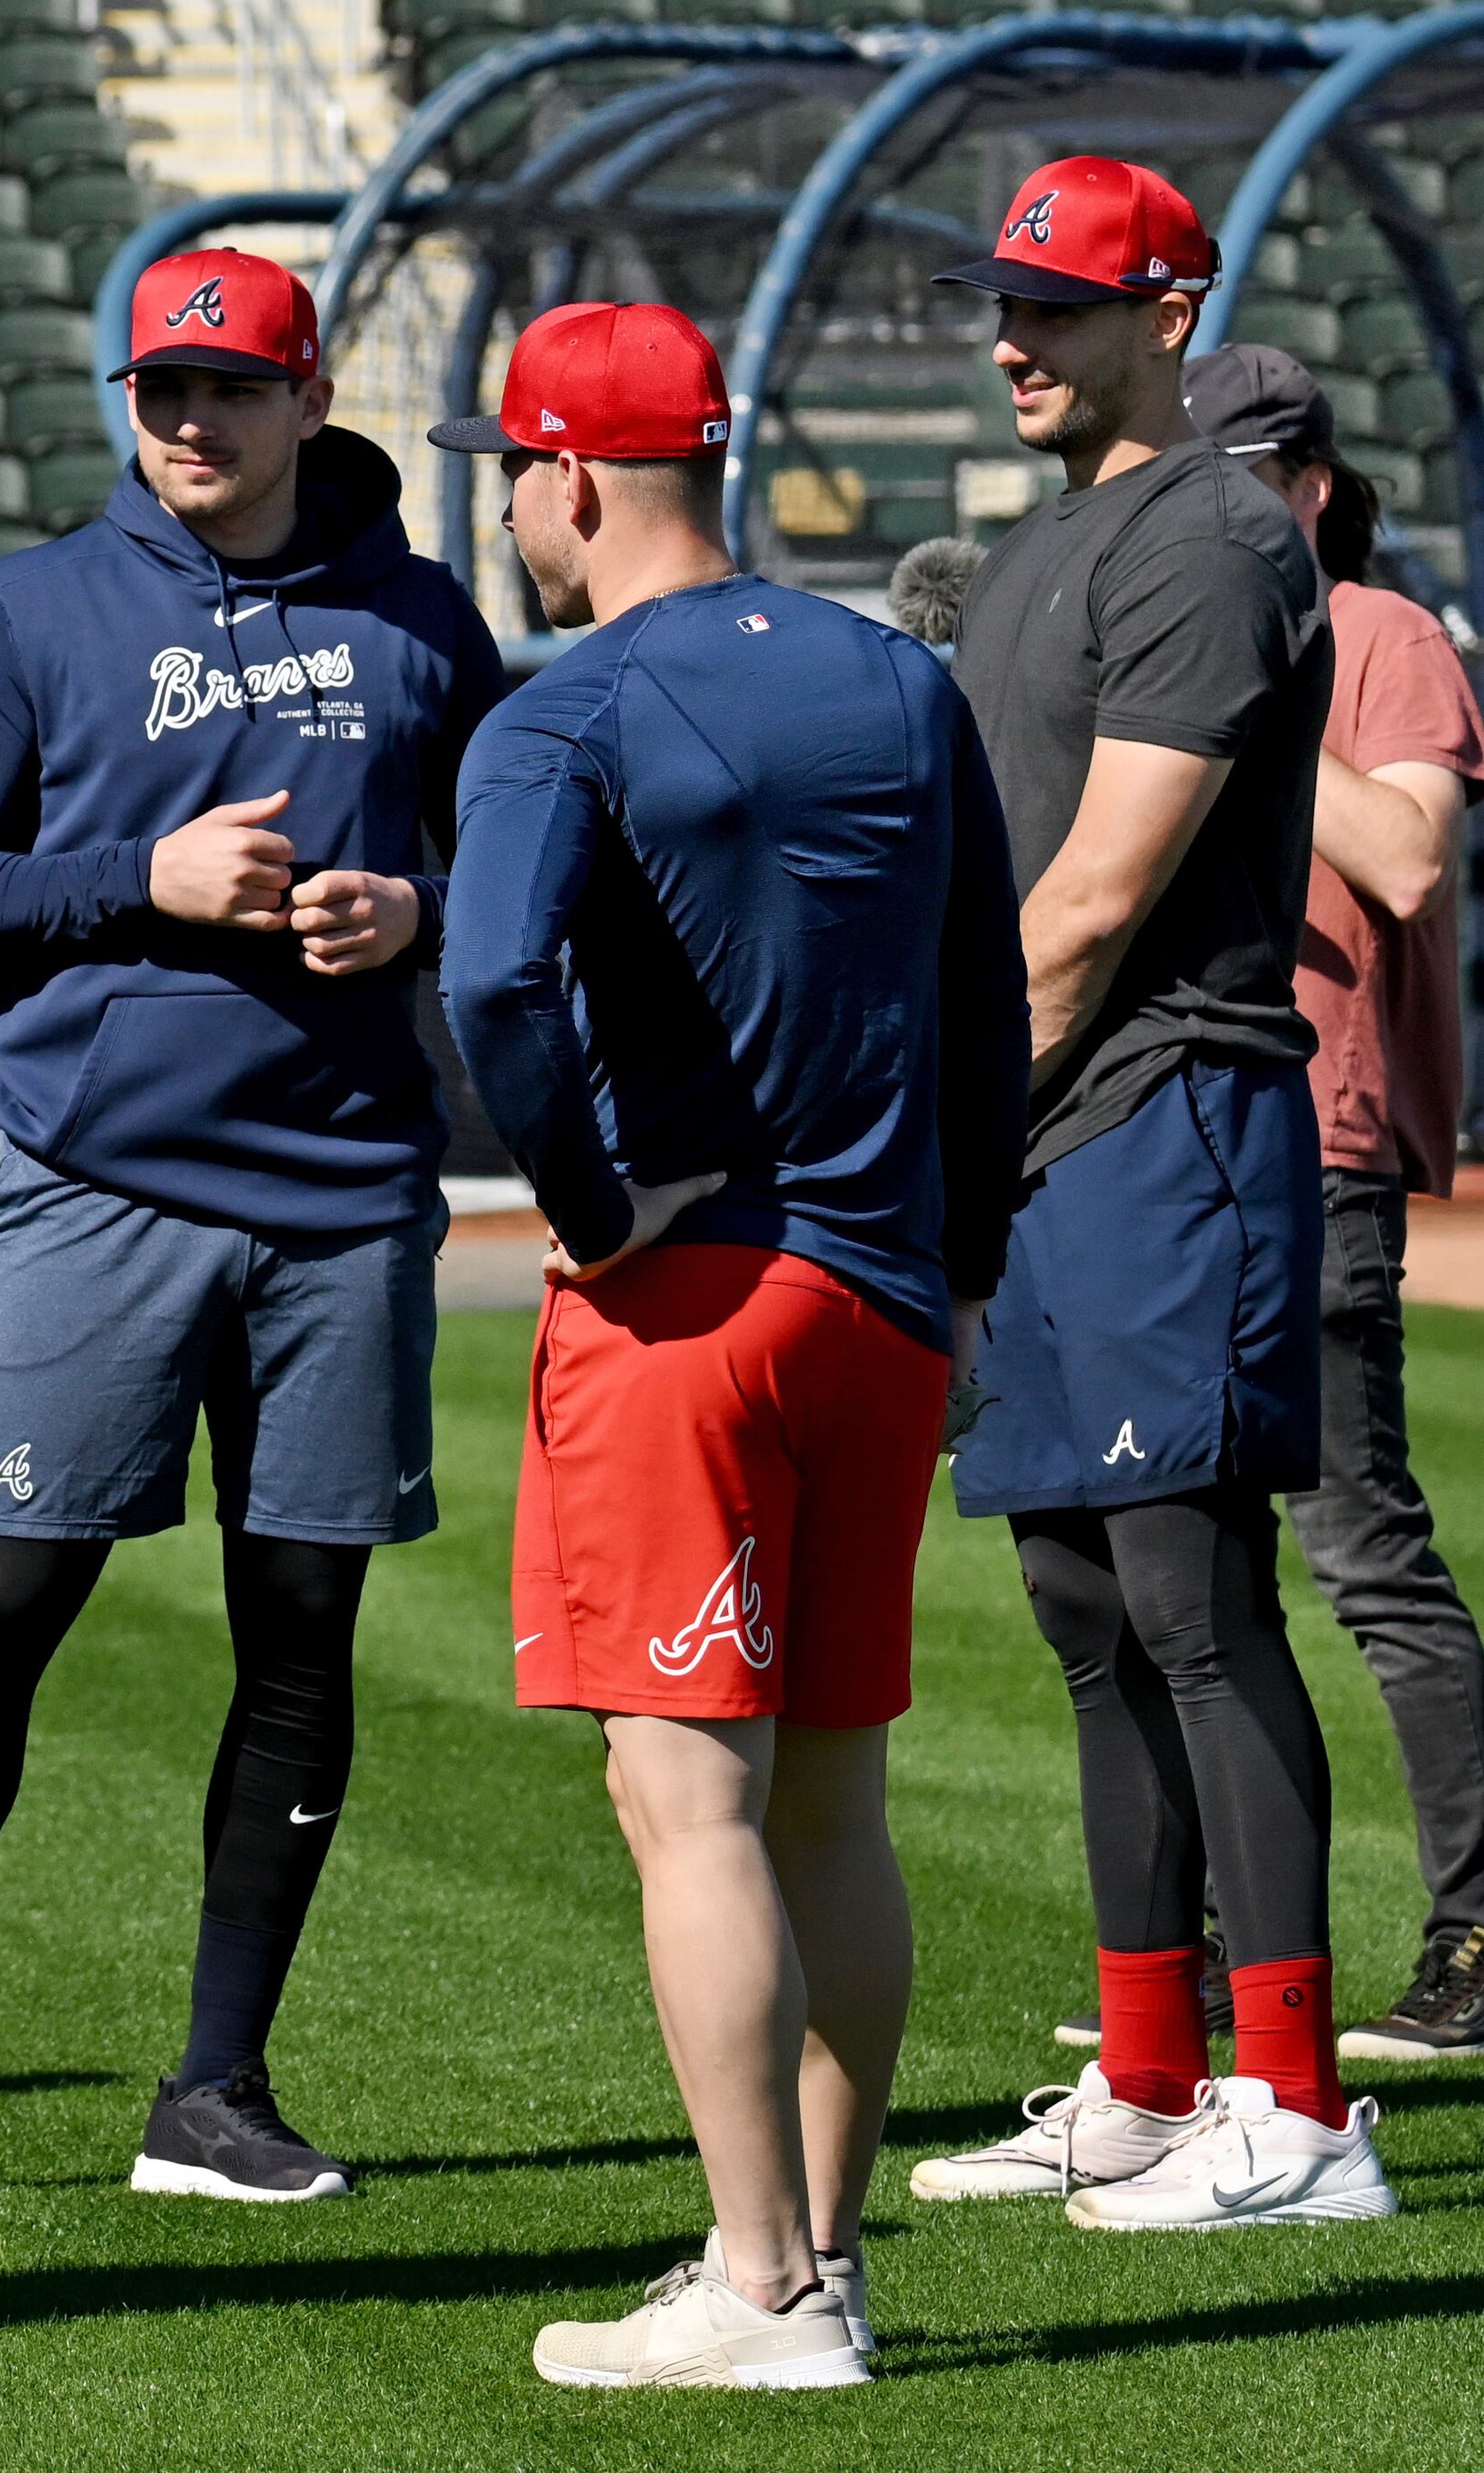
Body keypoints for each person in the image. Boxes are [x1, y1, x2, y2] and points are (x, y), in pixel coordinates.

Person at [0, 246, 509, 2211]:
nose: (191, 423)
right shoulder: (38, 608)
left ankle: (220, 2087)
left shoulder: (419, 621)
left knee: (300, 1631)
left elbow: (511, 877)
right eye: (162, 390)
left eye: (232, 390)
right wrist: (138, 881)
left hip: (342, 1201)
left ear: (315, 401)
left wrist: (416, 914)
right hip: (100, 1183)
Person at [434, 301, 1029, 2387]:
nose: (512, 505)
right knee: (836, 1808)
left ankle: (764, 2284)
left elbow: (494, 992)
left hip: (689, 1307)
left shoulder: (563, 710)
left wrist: (600, 1215)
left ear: (573, 481)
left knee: (688, 1803)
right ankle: (825, 2263)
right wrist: (963, 1273)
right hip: (888, 1301)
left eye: (513, 469)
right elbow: (990, 1005)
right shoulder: (897, 675)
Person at [917, 157, 1398, 2228]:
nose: (1018, 334)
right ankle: (1144, 2072)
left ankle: (1298, 2110)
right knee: (1088, 1611)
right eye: (1005, 300)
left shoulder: (1209, 534)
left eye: (1066, 303)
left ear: (1171, 310)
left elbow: (1094, 902)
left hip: (1167, 1113)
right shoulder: (1048, 544)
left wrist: (922, 1141)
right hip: (1050, 1140)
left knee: (1201, 1609)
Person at [1185, 344, 1484, 2063]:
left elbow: (1407, 857)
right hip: (1164, 1135)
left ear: (1306, 487)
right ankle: (1207, 1955)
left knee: (1363, 1553)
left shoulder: (1376, 635)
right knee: (1181, 1574)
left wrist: (1237, 697)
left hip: (1322, 1133)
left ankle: (1476, 1925)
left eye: (1241, 484)